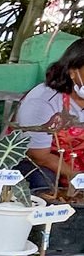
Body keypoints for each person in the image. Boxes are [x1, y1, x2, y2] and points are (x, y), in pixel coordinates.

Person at [12, 39, 84, 189]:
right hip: (39, 163)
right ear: (72, 71)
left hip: (77, 164)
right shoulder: (43, 100)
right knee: (43, 180)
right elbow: (40, 157)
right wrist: (77, 178)